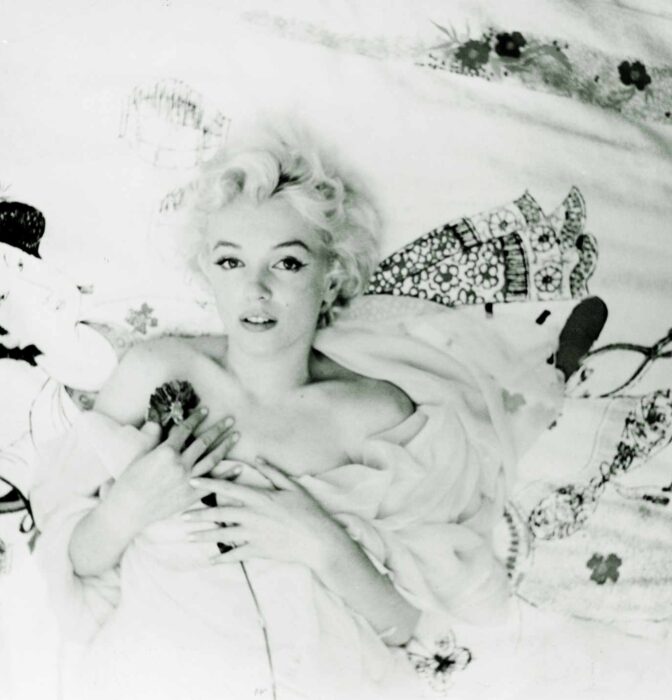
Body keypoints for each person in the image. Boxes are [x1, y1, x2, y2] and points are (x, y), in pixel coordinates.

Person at [31, 123, 566, 700]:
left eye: (286, 263)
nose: (255, 290)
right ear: (207, 271)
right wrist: (126, 509)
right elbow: (62, 561)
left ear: (330, 276)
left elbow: (420, 630)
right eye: (231, 262)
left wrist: (322, 544)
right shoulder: (154, 373)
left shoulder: (378, 414)